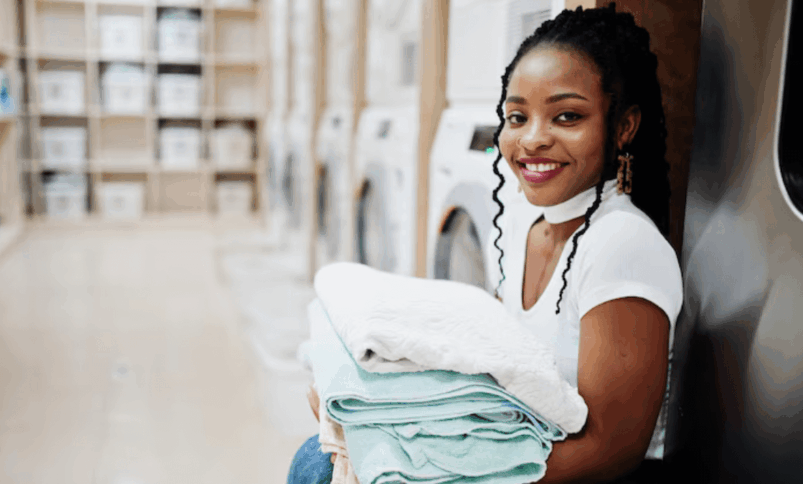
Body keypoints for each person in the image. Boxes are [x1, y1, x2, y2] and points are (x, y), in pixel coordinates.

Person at [288, 4, 682, 483]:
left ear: (623, 127)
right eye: (517, 116)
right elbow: (495, 362)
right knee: (320, 455)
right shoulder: (528, 226)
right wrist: (369, 410)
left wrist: (438, 474)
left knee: (320, 466)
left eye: (566, 116)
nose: (532, 139)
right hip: (530, 453)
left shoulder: (622, 244)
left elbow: (611, 450)